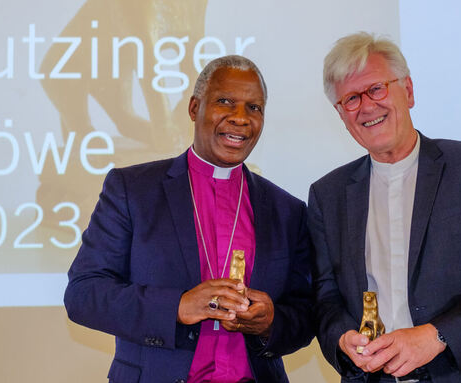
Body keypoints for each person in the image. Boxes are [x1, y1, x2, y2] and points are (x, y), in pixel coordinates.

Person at [308, 32, 461, 382]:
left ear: (408, 90)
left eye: (376, 89)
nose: (367, 107)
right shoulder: (327, 195)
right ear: (341, 114)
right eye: (351, 99)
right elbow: (325, 298)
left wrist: (438, 335)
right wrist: (343, 338)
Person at [65, 55, 313, 383]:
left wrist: (271, 322)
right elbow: (84, 294)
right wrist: (177, 306)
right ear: (195, 108)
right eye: (225, 102)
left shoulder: (287, 210)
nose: (240, 118)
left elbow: (305, 315)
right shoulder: (133, 190)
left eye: (254, 108)